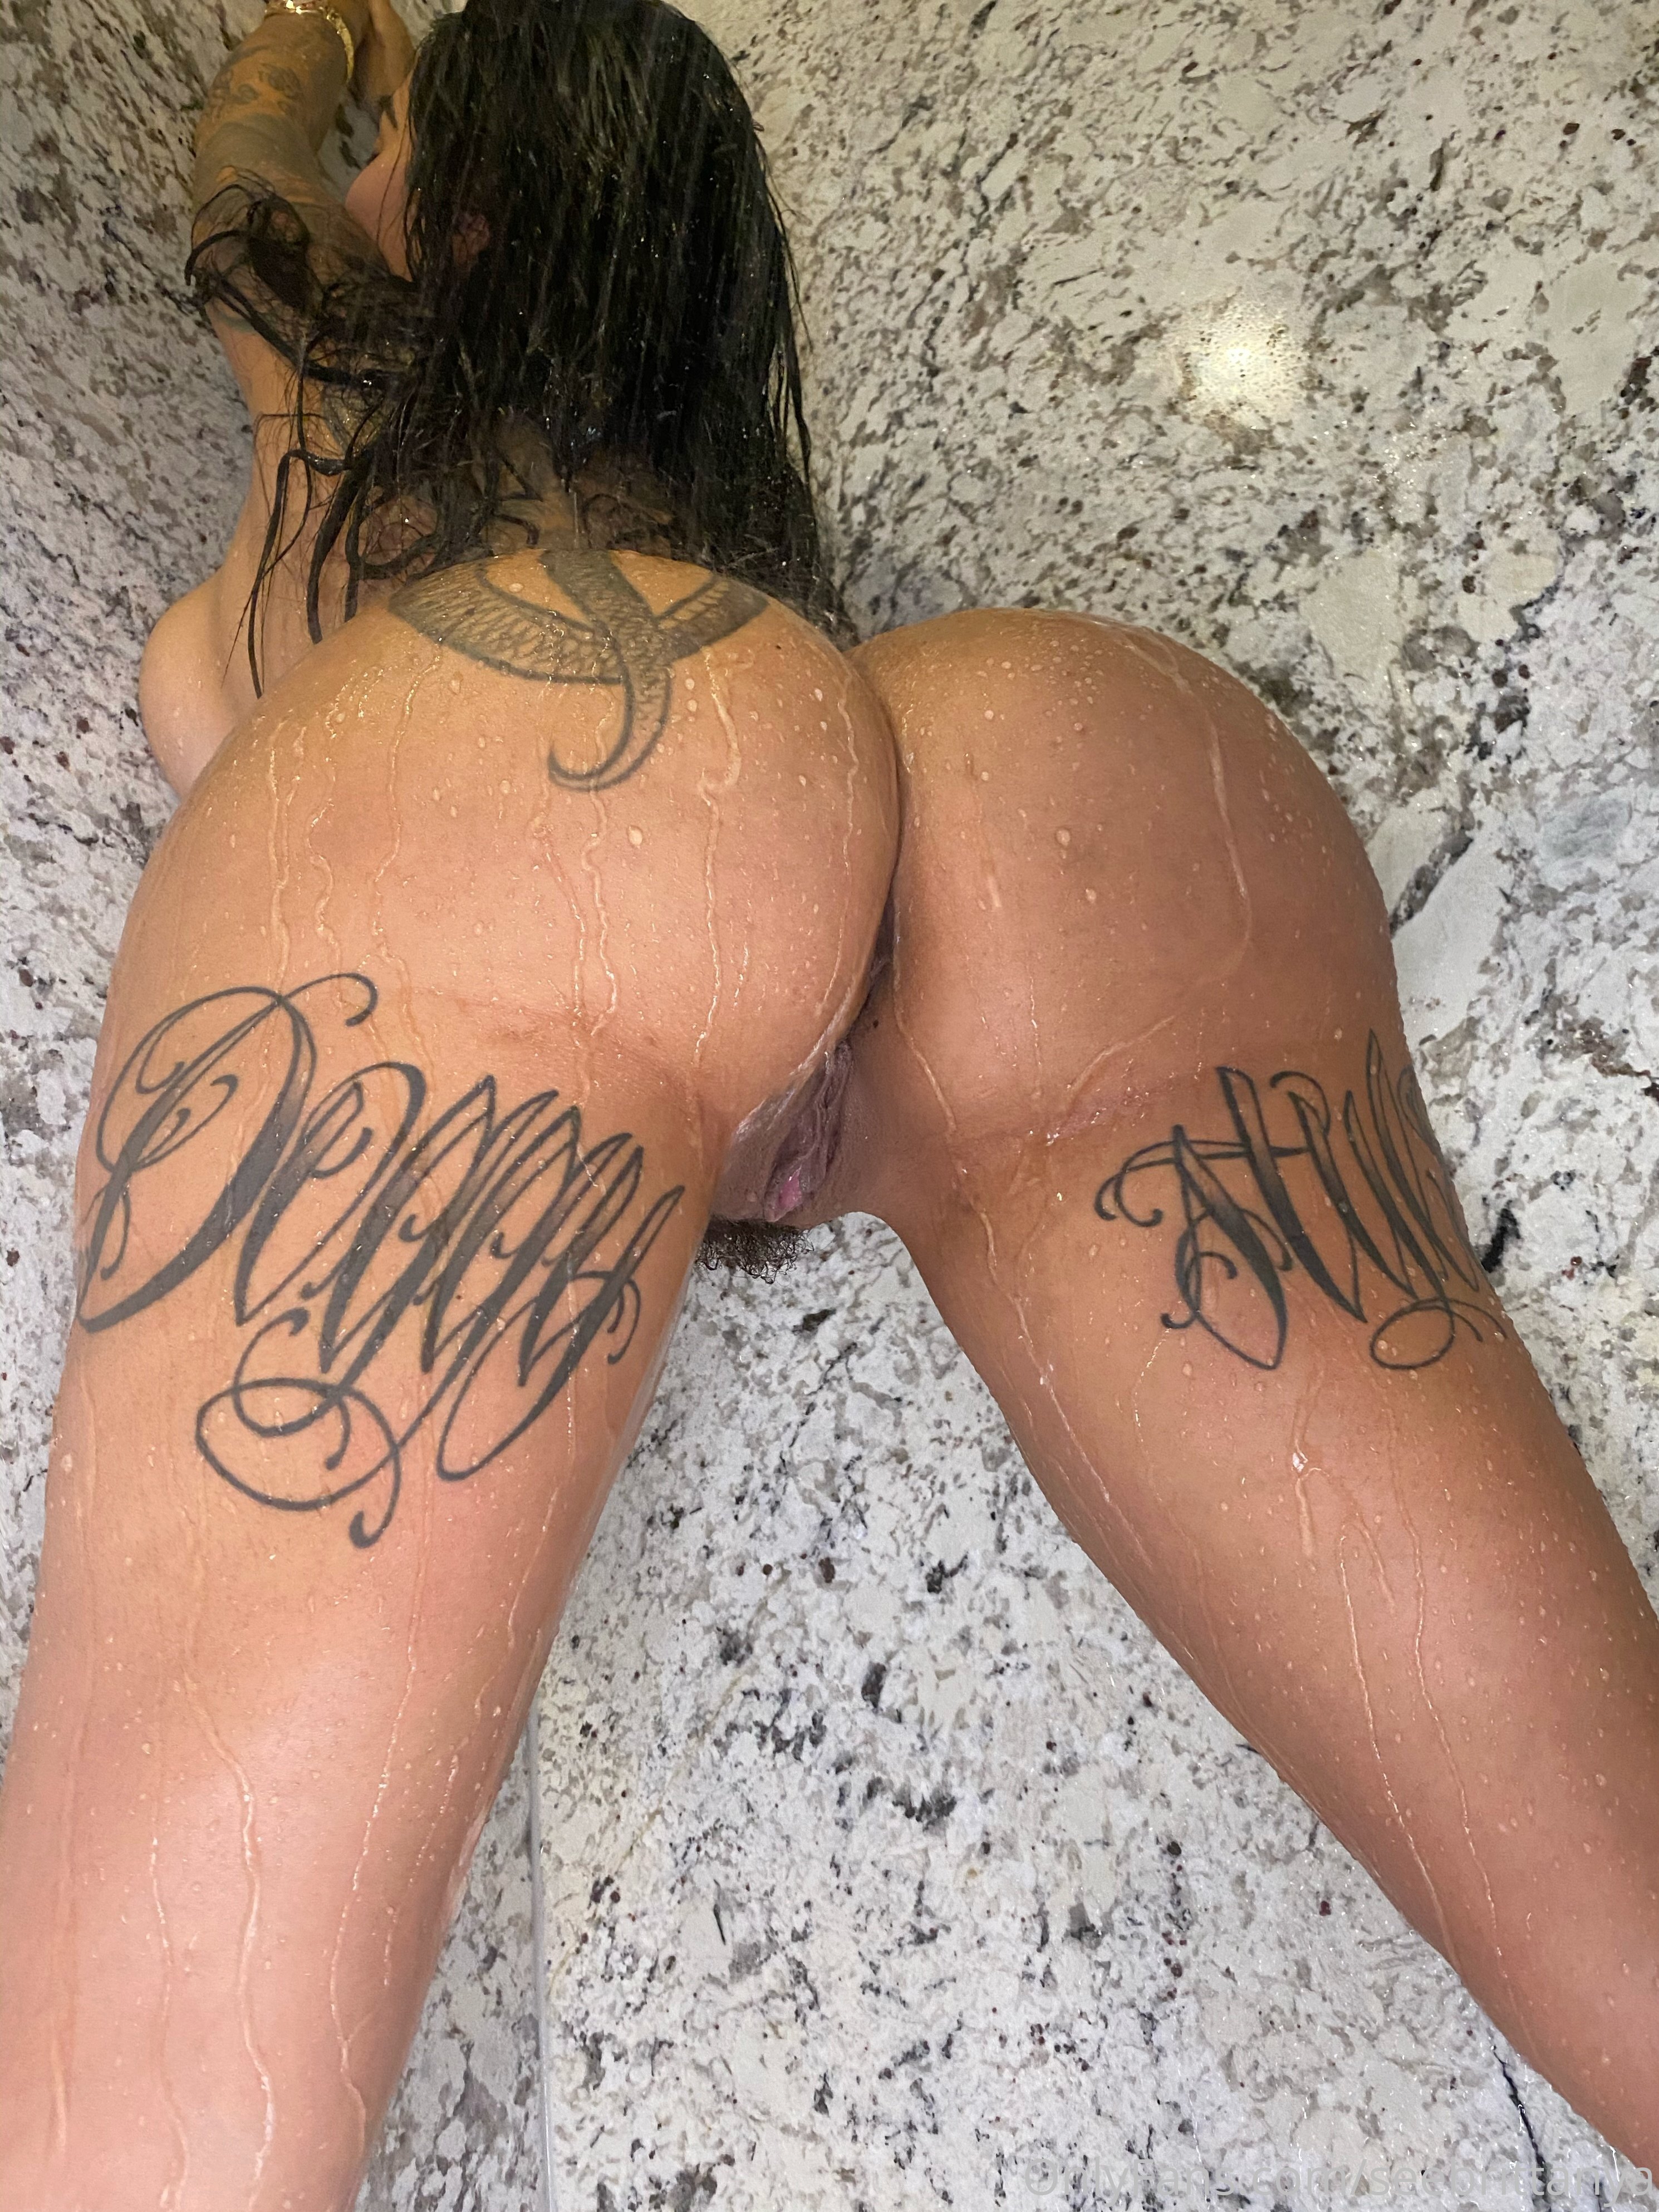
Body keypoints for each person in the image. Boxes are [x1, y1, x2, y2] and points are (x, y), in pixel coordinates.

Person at [0, 2, 1653, 2205]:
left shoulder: (340, 453)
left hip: (520, 773)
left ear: (462, 217)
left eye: (409, 153)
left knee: (141, 2112)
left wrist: (316, 61)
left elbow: (250, 176)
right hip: (1059, 750)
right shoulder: (748, 545)